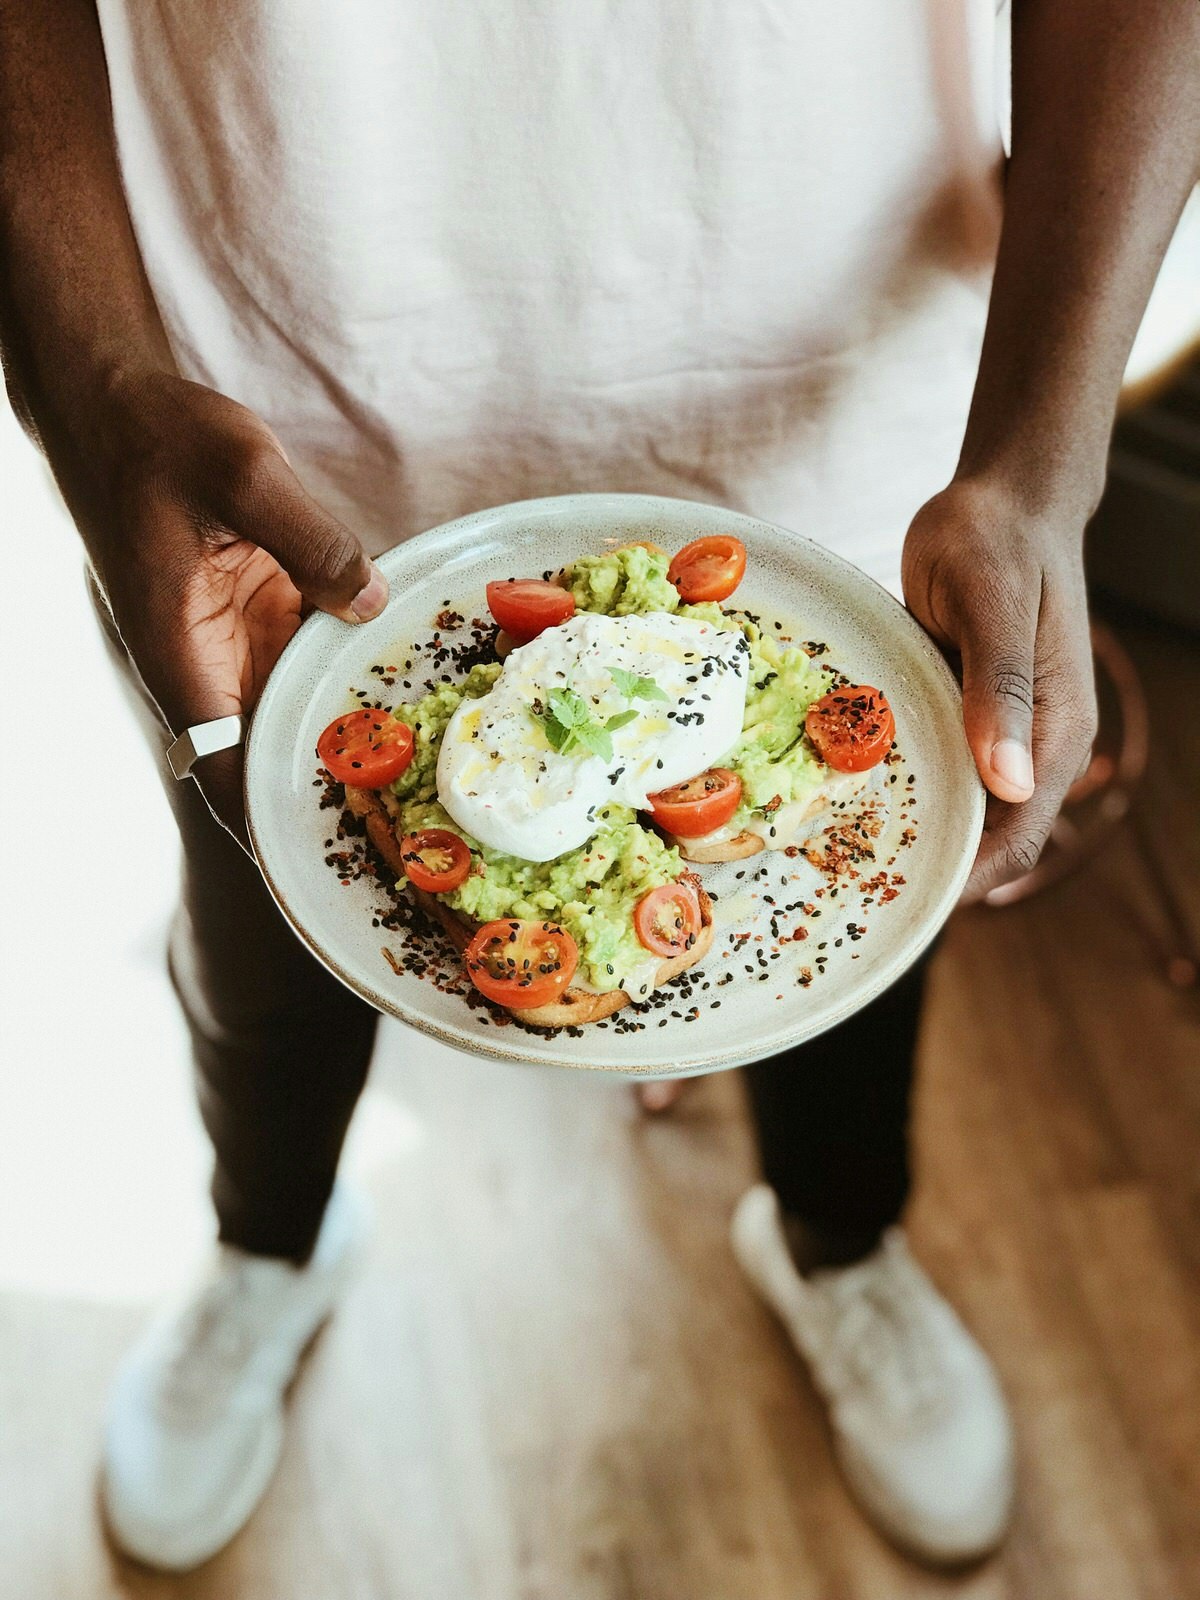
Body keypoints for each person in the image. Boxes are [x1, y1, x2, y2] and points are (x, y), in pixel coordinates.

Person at [2, 0, 1196, 1575]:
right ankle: (265, 1242)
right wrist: (86, 383)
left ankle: (840, 1243)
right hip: (266, 430)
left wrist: (1048, 453)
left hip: (842, 408)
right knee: (254, 946)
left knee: (845, 951)